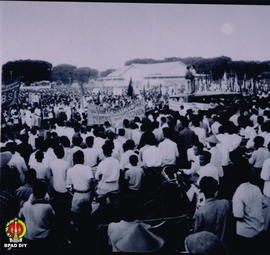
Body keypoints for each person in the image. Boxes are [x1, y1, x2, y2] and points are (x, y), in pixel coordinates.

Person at [232, 168, 265, 254]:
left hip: (246, 233)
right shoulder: (256, 188)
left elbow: (238, 216)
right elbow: (264, 204)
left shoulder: (238, 192)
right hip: (259, 229)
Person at [194, 177, 232, 248]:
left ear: (202, 191)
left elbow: (197, 234)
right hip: (226, 246)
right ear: (216, 190)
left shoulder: (201, 212)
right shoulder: (226, 203)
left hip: (210, 248)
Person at [19, 180, 55, 251]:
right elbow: (52, 218)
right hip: (43, 236)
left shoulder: (26, 204)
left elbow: (20, 216)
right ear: (45, 192)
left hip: (29, 236)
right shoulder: (47, 207)